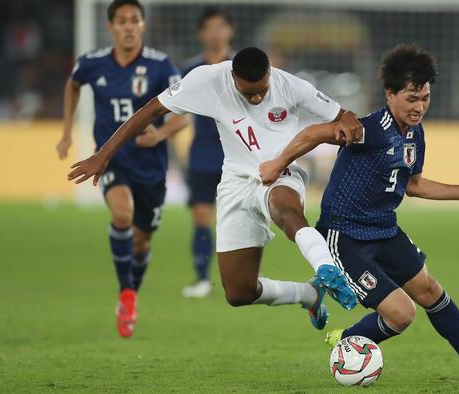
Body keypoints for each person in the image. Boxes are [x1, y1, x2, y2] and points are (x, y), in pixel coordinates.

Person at [259, 44, 459, 380]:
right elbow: (313, 133)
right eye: (411, 98)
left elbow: (414, 184)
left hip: (384, 230)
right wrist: (279, 163)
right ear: (389, 94)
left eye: (425, 97)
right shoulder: (370, 130)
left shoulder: (414, 134)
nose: (419, 106)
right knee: (402, 315)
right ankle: (349, 339)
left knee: (430, 291)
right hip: (344, 237)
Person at [67, 47, 363, 331]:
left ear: (270, 73)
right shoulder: (206, 80)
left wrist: (349, 119)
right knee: (239, 292)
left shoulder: (291, 85)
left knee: (286, 210)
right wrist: (103, 154)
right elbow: (151, 110)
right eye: (250, 93)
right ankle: (309, 295)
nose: (258, 97)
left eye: (263, 89)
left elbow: (342, 115)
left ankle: (327, 268)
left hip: (280, 173)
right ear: (233, 78)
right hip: (235, 182)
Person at [56, 0, 188, 338]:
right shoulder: (93, 63)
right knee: (122, 214)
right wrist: (68, 131)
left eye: (134, 21)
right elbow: (72, 85)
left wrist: (159, 132)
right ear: (110, 26)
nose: (128, 27)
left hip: (152, 168)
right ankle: (127, 294)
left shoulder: (160, 66)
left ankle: (130, 292)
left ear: (143, 25)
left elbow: (184, 114)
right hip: (112, 161)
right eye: (122, 21)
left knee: (141, 243)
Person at [179, 8, 234, 298]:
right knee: (201, 216)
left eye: (220, 27)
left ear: (229, 31)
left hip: (236, 156)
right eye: (210, 28)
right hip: (201, 155)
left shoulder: (242, 67)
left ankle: (245, 276)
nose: (215, 33)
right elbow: (177, 113)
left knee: (242, 218)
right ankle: (202, 279)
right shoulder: (189, 70)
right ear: (202, 33)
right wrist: (159, 134)